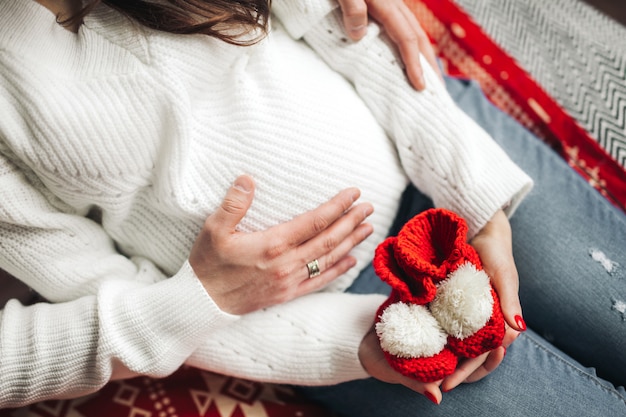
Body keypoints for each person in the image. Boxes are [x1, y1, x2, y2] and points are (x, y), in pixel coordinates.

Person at [0, 0, 624, 414]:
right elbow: (102, 291)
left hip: (424, 149)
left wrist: (479, 198)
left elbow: (346, 32)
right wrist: (343, 348)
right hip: (336, 316)